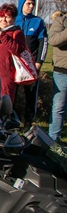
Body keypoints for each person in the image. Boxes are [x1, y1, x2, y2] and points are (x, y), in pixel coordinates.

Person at [15, 0, 48, 127]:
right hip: (16, 64)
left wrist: (39, 61)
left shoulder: (38, 22)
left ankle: (28, 121)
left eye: (33, 4)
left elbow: (43, 42)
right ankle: (12, 119)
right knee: (12, 93)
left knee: (31, 94)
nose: (31, 6)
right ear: (22, 4)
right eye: (28, 3)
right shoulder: (14, 20)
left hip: (31, 64)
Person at [48, 10, 67, 144]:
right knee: (58, 108)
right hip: (62, 72)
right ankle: (53, 142)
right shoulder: (61, 21)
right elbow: (53, 40)